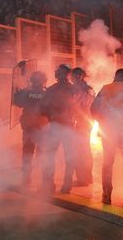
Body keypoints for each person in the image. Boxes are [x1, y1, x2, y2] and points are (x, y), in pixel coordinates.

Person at [90, 68, 123, 204]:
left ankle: (106, 194)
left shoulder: (105, 89)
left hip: (109, 132)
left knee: (107, 163)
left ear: (115, 77)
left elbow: (94, 109)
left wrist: (103, 122)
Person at [39, 64, 78, 194]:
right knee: (70, 157)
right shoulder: (74, 89)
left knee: (50, 156)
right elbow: (81, 108)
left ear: (57, 75)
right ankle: (67, 185)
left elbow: (43, 109)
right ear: (69, 74)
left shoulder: (50, 90)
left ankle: (49, 184)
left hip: (54, 126)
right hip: (69, 127)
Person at [13, 71, 49, 186]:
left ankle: (26, 177)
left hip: (29, 127)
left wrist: (17, 91)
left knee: (27, 153)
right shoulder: (48, 93)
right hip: (43, 128)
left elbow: (16, 102)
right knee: (43, 152)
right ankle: (44, 179)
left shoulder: (26, 92)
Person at [71, 67, 95, 186]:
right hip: (88, 123)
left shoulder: (75, 90)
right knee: (86, 149)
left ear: (78, 76)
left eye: (73, 76)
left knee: (78, 150)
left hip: (78, 123)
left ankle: (82, 178)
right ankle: (88, 176)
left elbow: (73, 106)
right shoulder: (90, 89)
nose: (71, 78)